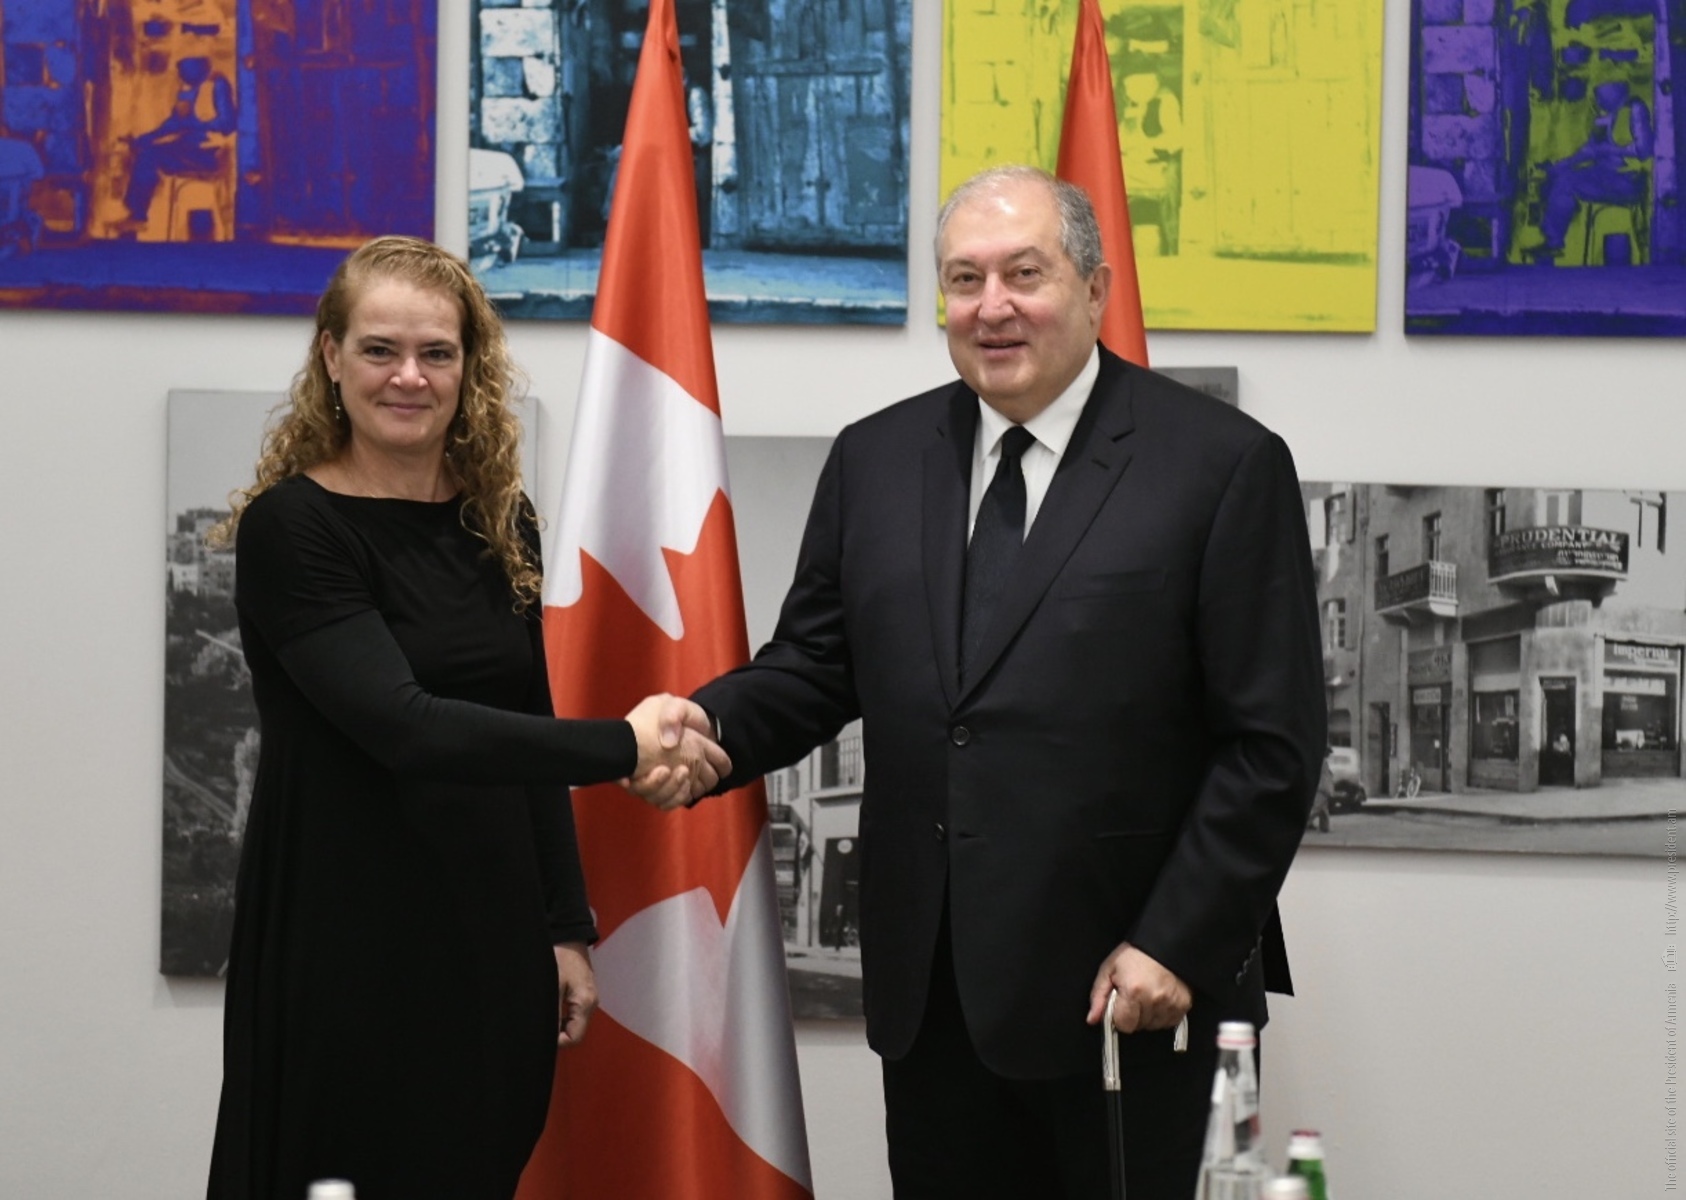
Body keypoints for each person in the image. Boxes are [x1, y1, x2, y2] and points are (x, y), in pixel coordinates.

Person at [630, 166, 1325, 1198]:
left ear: (1094, 287)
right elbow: (816, 665)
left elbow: (1272, 745)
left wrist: (1174, 944)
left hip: (1131, 994)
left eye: (1024, 274)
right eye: (965, 280)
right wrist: (709, 730)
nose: (991, 306)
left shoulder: (1221, 464)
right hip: (936, 1001)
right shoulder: (875, 459)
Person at [205, 236, 727, 1200]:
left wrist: (564, 927)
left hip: (489, 939)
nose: (409, 377)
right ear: (331, 356)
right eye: (380, 349)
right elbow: (409, 727)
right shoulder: (292, 528)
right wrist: (625, 744)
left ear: (468, 366)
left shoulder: (500, 518)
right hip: (345, 944)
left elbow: (524, 714)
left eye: (436, 353)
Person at [1531, 80, 1653, 262]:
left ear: (1615, 89)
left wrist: (1607, 150)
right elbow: (1588, 151)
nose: (1598, 99)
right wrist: (1558, 167)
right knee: (1560, 177)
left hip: (1628, 179)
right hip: (1606, 175)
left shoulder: (1635, 109)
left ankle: (1553, 241)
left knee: (1566, 183)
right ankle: (1550, 238)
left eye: (1600, 93)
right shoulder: (1604, 116)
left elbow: (1645, 150)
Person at [121, 56, 237, 228]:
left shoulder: (217, 85)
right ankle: (135, 213)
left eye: (184, 68)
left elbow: (228, 123)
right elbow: (172, 125)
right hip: (187, 149)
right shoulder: (187, 91)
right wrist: (142, 139)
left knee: (150, 156)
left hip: (210, 152)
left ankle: (137, 216)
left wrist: (191, 124)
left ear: (199, 66)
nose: (180, 74)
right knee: (145, 151)